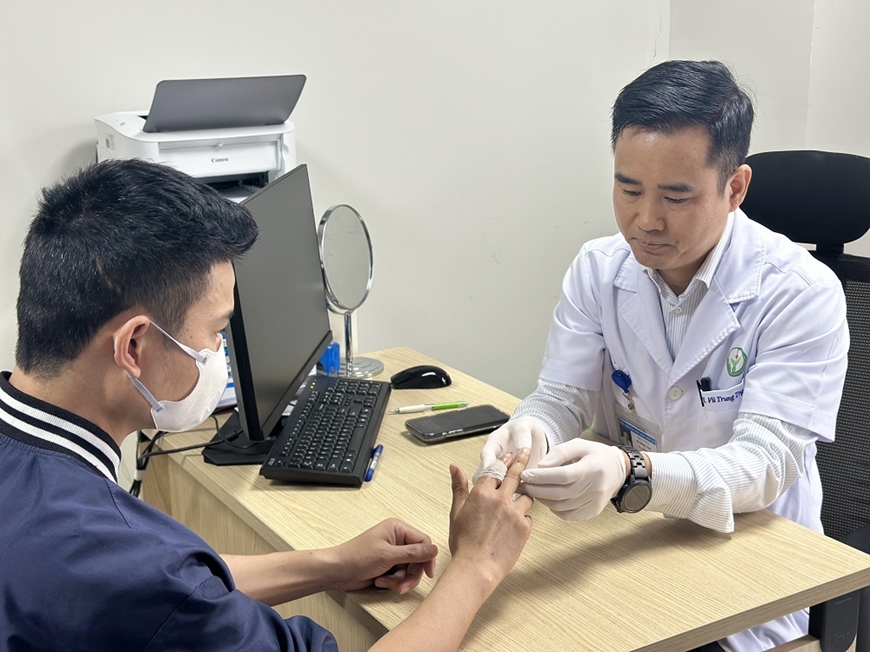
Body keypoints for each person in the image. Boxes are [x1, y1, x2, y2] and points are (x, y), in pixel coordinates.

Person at [0, 158, 534, 652]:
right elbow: (161, 591)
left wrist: (330, 564)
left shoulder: (61, 505)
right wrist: (476, 565)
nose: (219, 352)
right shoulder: (124, 564)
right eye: (216, 331)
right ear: (134, 347)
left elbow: (180, 587)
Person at [476, 60, 848, 652]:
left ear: (735, 188)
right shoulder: (598, 270)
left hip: (752, 567)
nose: (645, 220)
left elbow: (765, 463)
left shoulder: (801, 292)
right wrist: (530, 431)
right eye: (628, 189)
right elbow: (563, 397)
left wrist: (633, 473)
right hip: (632, 546)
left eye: (676, 196)